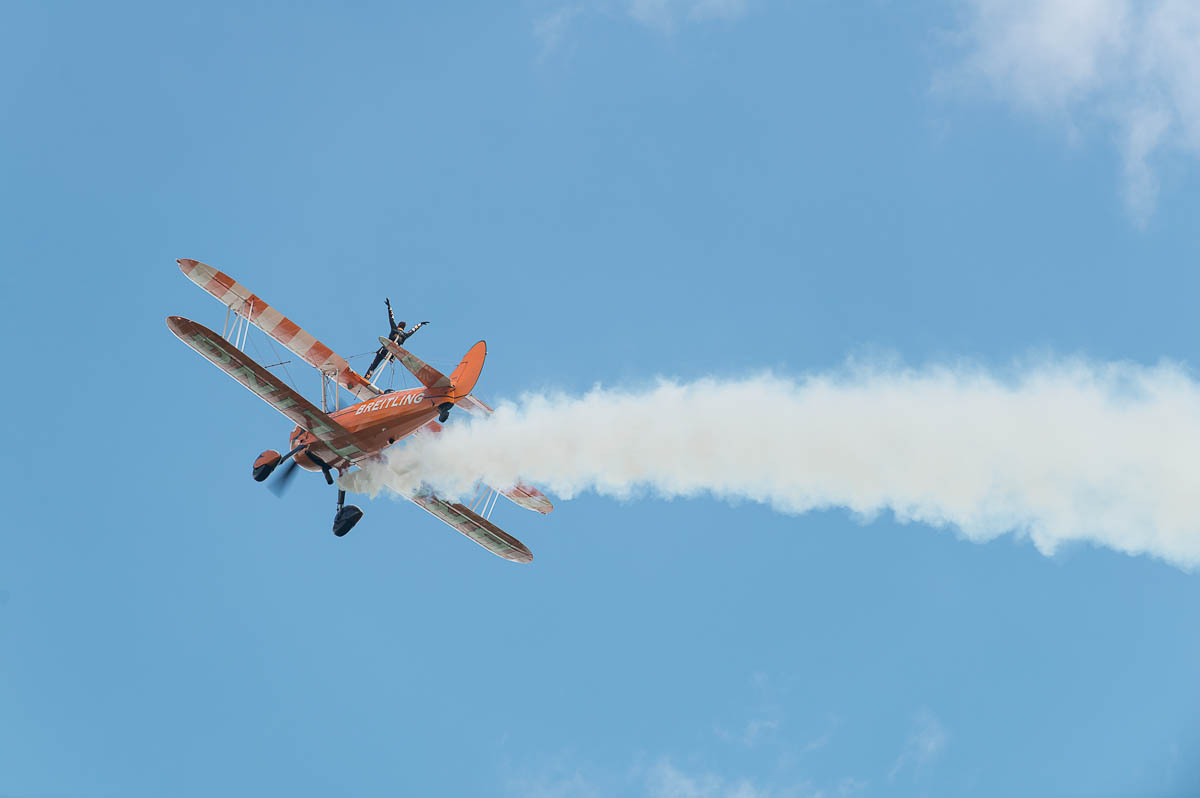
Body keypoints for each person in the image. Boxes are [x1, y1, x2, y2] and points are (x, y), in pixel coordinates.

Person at [364, 298, 429, 380]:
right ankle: (389, 361)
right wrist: (420, 324)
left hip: (384, 350)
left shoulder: (394, 329)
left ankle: (367, 376)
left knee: (374, 364)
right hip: (392, 354)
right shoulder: (405, 335)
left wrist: (389, 307)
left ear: (398, 325)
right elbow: (413, 330)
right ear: (404, 328)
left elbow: (391, 318)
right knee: (389, 360)